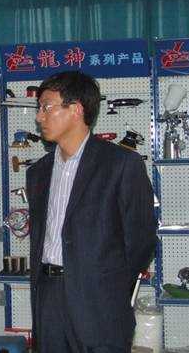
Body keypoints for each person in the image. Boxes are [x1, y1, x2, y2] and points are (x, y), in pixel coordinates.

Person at [27, 71, 157, 353]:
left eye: (46, 107)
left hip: (99, 301)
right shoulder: (38, 172)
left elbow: (142, 240)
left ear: (76, 109)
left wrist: (107, 284)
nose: (39, 116)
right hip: (48, 297)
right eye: (39, 108)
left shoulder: (121, 164)